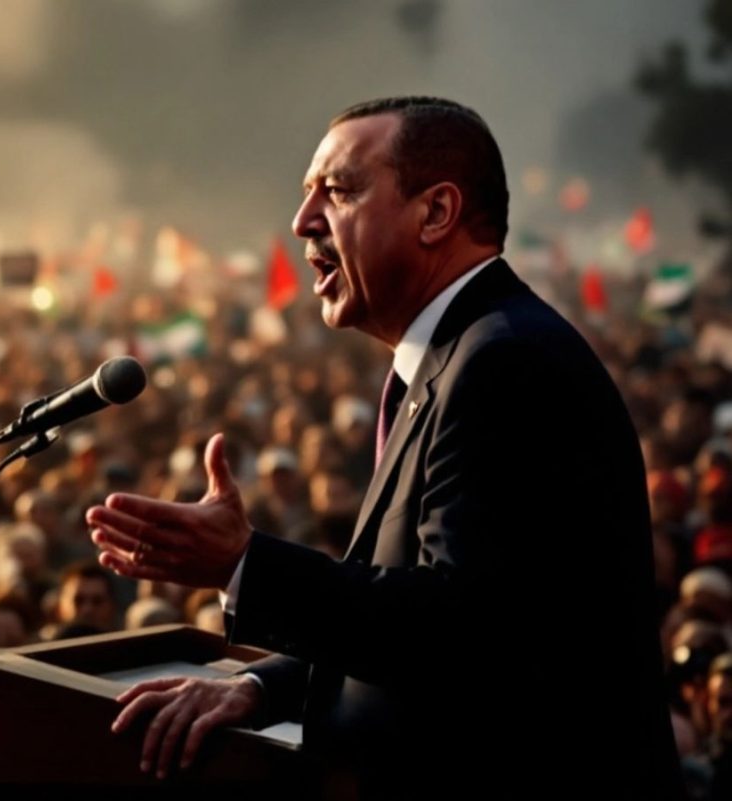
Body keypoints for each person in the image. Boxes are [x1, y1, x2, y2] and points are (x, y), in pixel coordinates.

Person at [86, 96, 683, 799]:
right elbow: (422, 619)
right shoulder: (455, 358)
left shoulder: (505, 363)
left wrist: (245, 563)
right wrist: (259, 686)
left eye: (336, 191)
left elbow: (463, 632)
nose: (303, 221)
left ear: (435, 213)